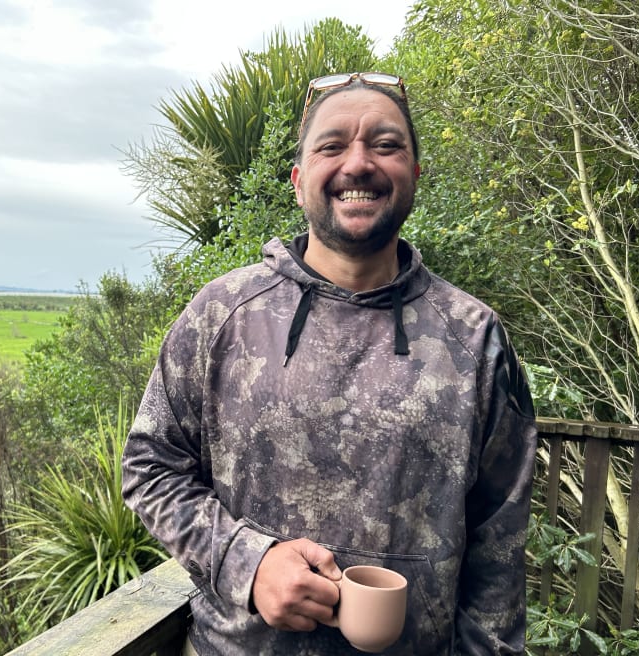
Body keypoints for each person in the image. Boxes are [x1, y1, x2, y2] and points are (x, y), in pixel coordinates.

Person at [121, 71, 537, 655]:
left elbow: (499, 546)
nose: (359, 163)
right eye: (332, 145)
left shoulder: (475, 340)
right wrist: (249, 563)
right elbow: (150, 466)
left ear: (414, 176)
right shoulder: (221, 315)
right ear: (298, 181)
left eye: (386, 145)